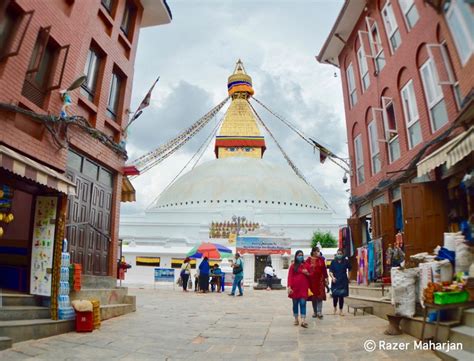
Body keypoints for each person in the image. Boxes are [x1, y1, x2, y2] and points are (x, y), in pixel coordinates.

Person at [287, 250, 310, 328]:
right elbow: (290, 277)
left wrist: (307, 273)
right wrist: (289, 286)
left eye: (302, 255)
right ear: (296, 256)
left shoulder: (306, 265)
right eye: (299, 255)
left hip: (304, 288)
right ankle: (296, 319)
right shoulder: (292, 266)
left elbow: (311, 275)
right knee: (295, 304)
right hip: (295, 289)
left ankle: (303, 320)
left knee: (303, 303)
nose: (301, 256)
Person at [306, 246, 328, 319]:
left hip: (320, 281)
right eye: (316, 251)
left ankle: (319, 312)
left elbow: (324, 270)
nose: (317, 252)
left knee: (320, 296)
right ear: (313, 252)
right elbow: (305, 269)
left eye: (318, 251)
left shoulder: (321, 260)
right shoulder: (308, 260)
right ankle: (315, 312)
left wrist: (326, 278)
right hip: (311, 281)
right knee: (313, 297)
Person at [329, 248, 351, 316]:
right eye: (338, 253)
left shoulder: (346, 261)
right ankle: (335, 308)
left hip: (343, 280)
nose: (339, 255)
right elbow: (330, 271)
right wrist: (332, 277)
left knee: (341, 296)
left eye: (340, 254)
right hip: (335, 280)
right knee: (335, 295)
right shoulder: (333, 262)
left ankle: (341, 310)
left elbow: (350, 269)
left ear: (343, 254)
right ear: (336, 254)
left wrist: (349, 277)